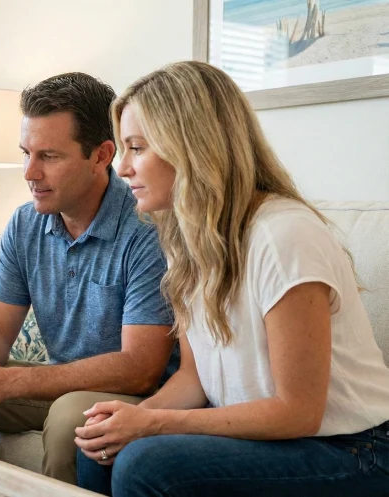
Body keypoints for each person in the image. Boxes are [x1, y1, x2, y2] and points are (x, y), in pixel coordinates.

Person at [75, 60, 389, 496]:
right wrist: (130, 421)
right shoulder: (187, 238)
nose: (122, 167)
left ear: (191, 146)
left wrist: (153, 425)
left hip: (353, 449)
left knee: (145, 465)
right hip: (270, 439)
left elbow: (297, 412)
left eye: (138, 147)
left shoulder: (283, 235)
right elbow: (193, 379)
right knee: (101, 448)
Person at [0, 72, 179, 484]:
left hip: (132, 395)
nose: (29, 173)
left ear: (101, 155)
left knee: (70, 418)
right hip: (59, 385)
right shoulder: (25, 223)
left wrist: (11, 381)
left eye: (49, 157)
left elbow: (140, 368)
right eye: (26, 153)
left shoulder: (146, 228)